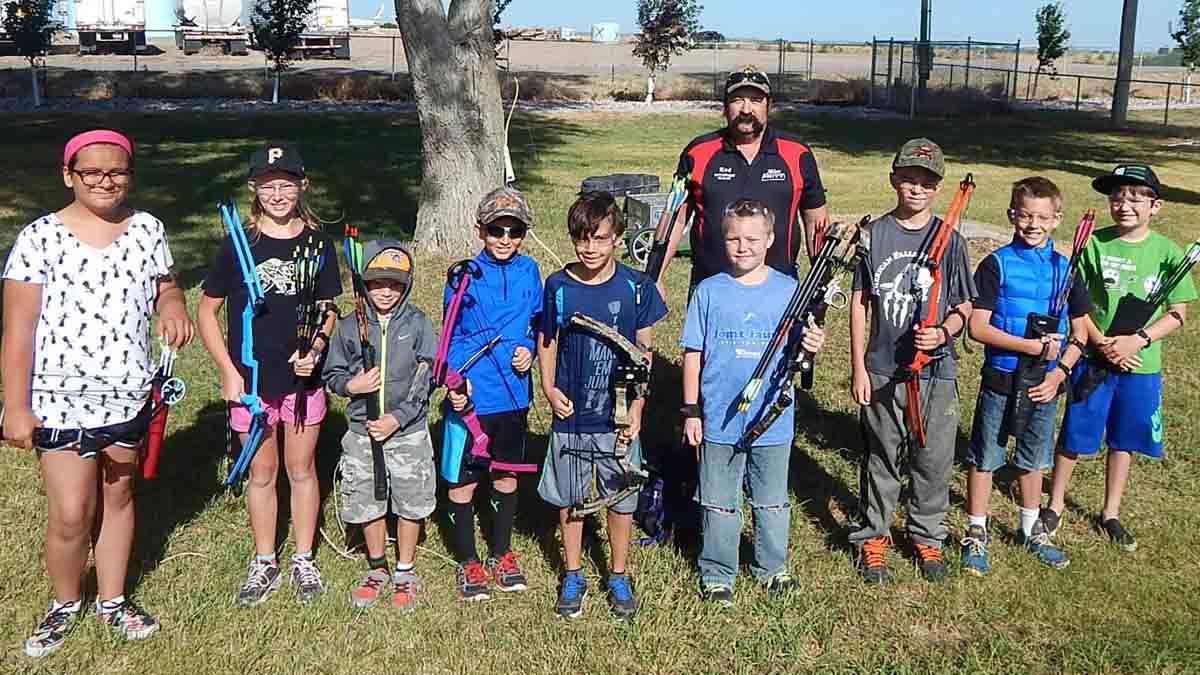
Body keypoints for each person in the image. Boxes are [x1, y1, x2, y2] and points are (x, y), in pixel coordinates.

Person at [3, 129, 192, 656]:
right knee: (70, 510)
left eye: (118, 172)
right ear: (69, 175)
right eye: (93, 173)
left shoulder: (147, 229)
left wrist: (172, 304)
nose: (107, 182)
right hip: (58, 399)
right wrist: (15, 408)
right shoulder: (39, 238)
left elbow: (167, 281)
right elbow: (17, 331)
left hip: (129, 393)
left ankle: (112, 600)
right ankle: (65, 603)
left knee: (119, 497)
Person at [197, 142, 341, 607]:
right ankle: (264, 561)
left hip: (302, 384)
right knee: (262, 473)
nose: (277, 193)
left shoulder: (319, 243)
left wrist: (316, 348)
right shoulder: (240, 244)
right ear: (253, 189)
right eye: (267, 185)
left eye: (286, 184)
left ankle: (303, 558)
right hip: (253, 384)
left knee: (301, 470)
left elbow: (328, 307)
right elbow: (206, 310)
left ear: (303, 186)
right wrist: (227, 371)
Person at [680, 198, 826, 606]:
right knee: (719, 501)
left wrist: (813, 343)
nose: (742, 247)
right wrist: (691, 410)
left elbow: (804, 346)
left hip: (772, 420)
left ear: (771, 240)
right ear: (721, 240)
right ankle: (717, 572)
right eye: (733, 239)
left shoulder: (790, 291)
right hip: (719, 420)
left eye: (752, 239)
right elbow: (693, 354)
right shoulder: (708, 291)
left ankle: (771, 567)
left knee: (772, 500)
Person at [1044, 164, 1196, 553]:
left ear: (1154, 206)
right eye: (1117, 197)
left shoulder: (1167, 251)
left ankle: (1110, 512)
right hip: (1094, 358)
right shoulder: (1094, 244)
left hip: (1139, 365)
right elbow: (1078, 305)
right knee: (1075, 432)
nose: (1124, 204)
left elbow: (1178, 312)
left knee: (1123, 439)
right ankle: (1055, 504)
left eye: (1134, 198)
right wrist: (1101, 342)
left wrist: (1137, 340)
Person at [847, 138, 976, 584]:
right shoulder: (875, 236)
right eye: (908, 179)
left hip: (935, 373)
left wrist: (942, 333)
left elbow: (964, 308)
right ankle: (873, 536)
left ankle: (926, 535)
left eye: (925, 182)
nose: (916, 189)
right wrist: (860, 366)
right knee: (882, 458)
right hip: (883, 368)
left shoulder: (951, 240)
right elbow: (860, 302)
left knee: (933, 460)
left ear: (938, 187)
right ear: (893, 180)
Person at [536, 191, 667, 619]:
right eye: (582, 239)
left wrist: (637, 410)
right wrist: (549, 387)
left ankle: (618, 573)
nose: (590, 248)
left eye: (600, 238)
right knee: (570, 498)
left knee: (621, 496)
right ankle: (573, 572)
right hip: (572, 415)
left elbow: (644, 353)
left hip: (617, 419)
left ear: (618, 239)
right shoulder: (557, 286)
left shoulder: (636, 287)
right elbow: (547, 340)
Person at [960, 177, 1091, 575]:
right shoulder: (995, 264)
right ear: (1011, 216)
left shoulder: (1066, 270)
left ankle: (1031, 529)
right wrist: (1033, 348)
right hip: (1001, 377)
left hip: (1045, 383)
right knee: (985, 456)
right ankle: (976, 530)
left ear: (1056, 220)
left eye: (1042, 217)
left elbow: (1081, 332)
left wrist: (1059, 373)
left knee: (1033, 459)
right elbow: (978, 328)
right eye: (1024, 215)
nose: (1032, 224)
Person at [442, 187, 543, 601]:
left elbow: (538, 323)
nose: (505, 239)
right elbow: (447, 337)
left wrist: (531, 349)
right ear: (479, 230)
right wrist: (454, 384)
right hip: (471, 396)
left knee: (506, 475)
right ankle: (468, 560)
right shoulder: (462, 274)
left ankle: (501, 552)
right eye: (496, 230)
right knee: (462, 481)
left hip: (514, 396)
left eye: (514, 231)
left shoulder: (530, 270)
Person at [323, 242, 436, 611]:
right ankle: (377, 567)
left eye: (394, 284)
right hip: (361, 432)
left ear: (406, 285)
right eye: (375, 283)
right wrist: (350, 387)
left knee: (410, 501)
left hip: (408, 432)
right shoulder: (346, 327)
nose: (385, 291)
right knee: (368, 503)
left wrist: (398, 418)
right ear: (363, 284)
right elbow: (332, 374)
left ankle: (405, 568)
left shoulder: (418, 323)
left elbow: (426, 375)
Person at [652, 65, 829, 295]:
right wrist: (654, 276)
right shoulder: (697, 152)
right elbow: (674, 218)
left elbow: (816, 222)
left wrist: (822, 282)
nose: (746, 109)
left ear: (769, 105)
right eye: (737, 100)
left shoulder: (797, 153)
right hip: (710, 287)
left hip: (780, 290)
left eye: (756, 100)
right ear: (725, 107)